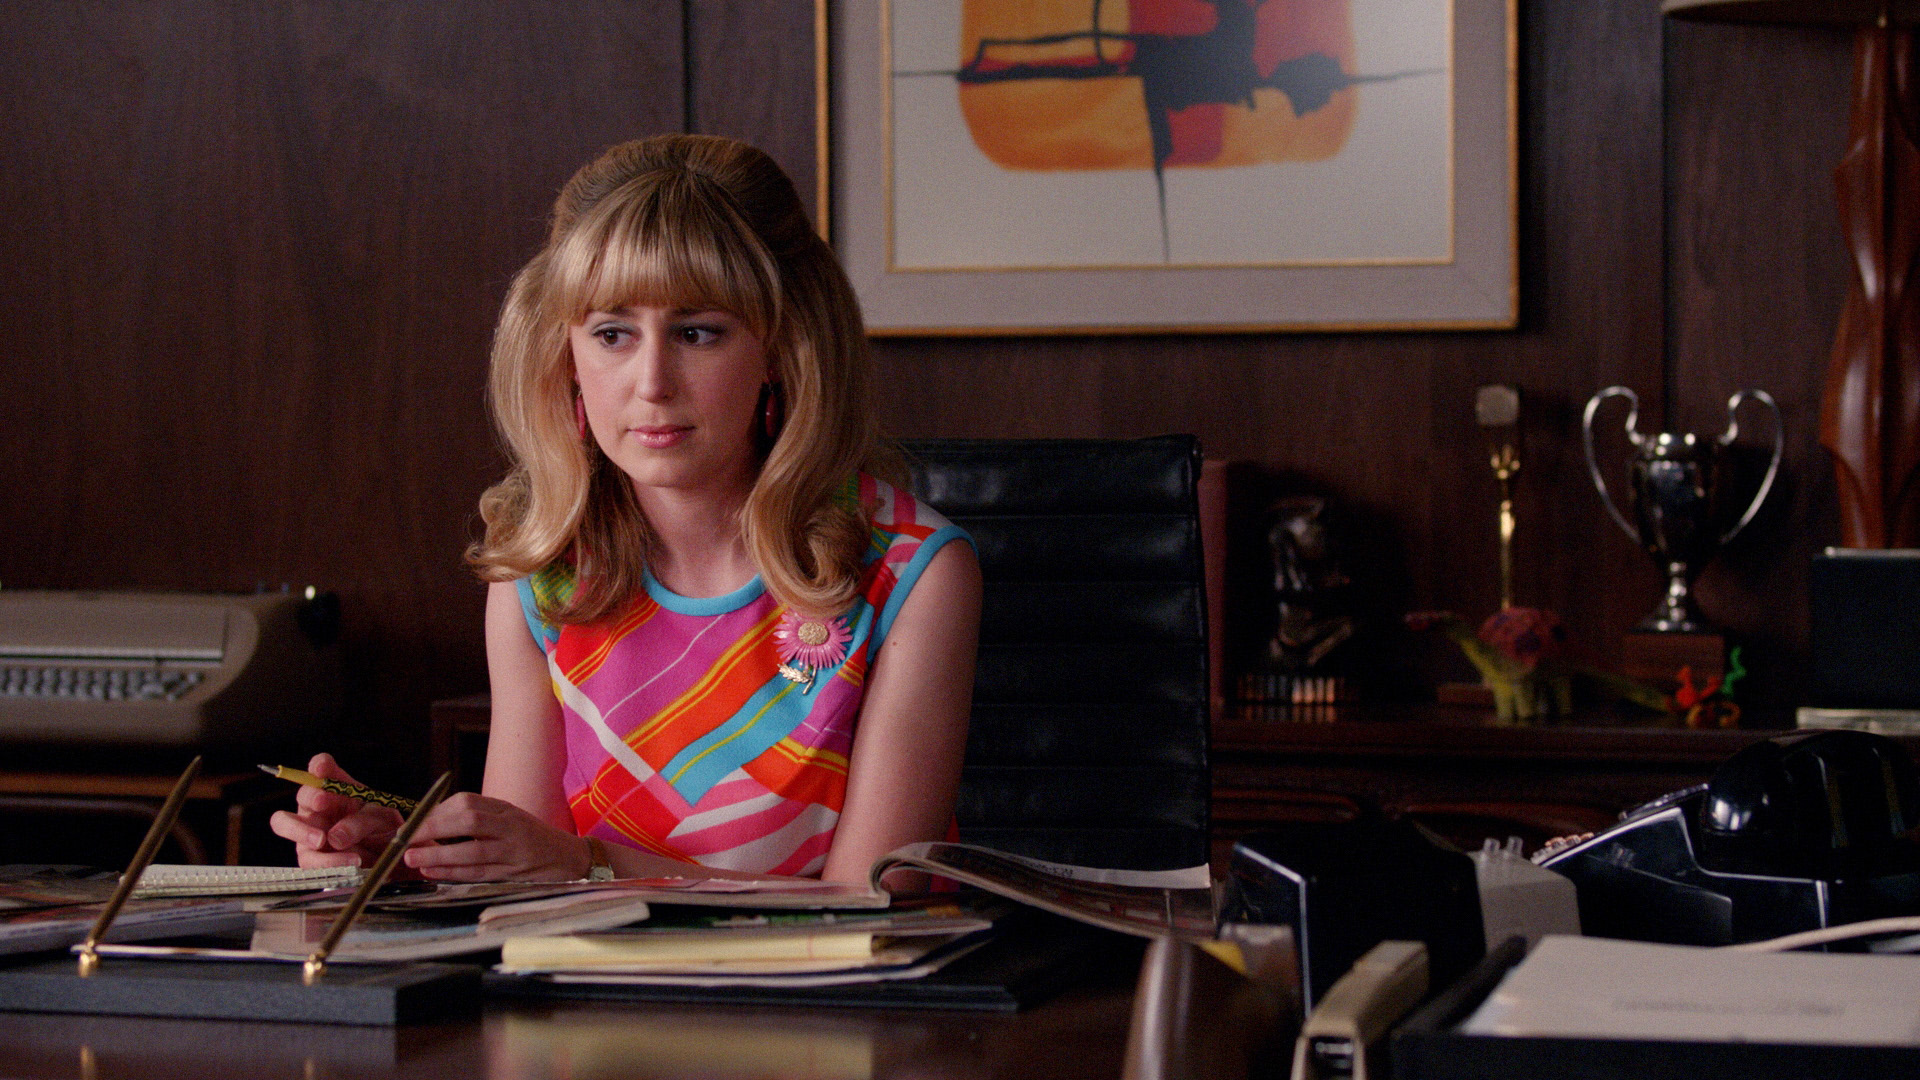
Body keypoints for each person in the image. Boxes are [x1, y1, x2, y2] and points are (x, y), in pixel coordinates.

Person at [270, 135, 981, 884]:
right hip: (585, 962)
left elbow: (872, 901)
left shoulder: (913, 572)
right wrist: (414, 860)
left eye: (696, 333)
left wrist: (592, 864)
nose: (651, 382)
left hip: (842, 967)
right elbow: (525, 876)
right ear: (566, 355)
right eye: (612, 334)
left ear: (782, 347)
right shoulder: (540, 568)